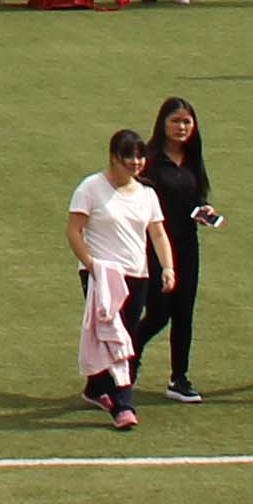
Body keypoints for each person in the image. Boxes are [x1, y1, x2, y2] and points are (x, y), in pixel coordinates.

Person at [65, 127, 162, 431]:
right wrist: (91, 265)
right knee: (117, 337)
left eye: (139, 157)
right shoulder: (91, 188)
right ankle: (123, 404)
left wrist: (168, 268)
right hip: (102, 275)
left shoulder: (146, 194)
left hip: (137, 274)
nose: (135, 162)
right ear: (113, 157)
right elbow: (74, 230)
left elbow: (157, 233)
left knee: (124, 334)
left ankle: (96, 388)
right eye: (128, 157)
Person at [135, 93, 215, 401]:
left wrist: (204, 209)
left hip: (187, 245)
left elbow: (197, 194)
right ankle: (128, 357)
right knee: (158, 313)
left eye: (186, 122)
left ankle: (179, 378)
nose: (181, 127)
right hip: (156, 246)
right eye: (175, 121)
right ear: (163, 123)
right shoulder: (150, 160)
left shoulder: (192, 157)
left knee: (184, 312)